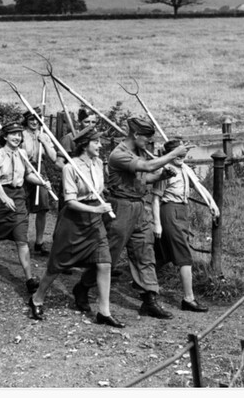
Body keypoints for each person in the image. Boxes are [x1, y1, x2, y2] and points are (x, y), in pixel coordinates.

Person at [72, 116, 189, 320]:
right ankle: (83, 286)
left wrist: (162, 176)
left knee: (145, 251)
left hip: (139, 206)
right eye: (146, 137)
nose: (149, 142)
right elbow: (147, 167)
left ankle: (149, 299)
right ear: (135, 134)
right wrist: (174, 154)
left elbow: (145, 177)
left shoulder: (137, 152)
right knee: (109, 255)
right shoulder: (118, 155)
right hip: (121, 208)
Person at [28, 126, 121, 325]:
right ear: (85, 145)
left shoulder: (98, 164)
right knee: (57, 264)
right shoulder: (70, 168)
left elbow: (99, 190)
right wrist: (97, 209)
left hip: (95, 222)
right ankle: (37, 297)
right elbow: (70, 201)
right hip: (74, 221)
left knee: (105, 263)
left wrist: (103, 201)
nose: (100, 146)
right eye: (96, 142)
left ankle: (104, 312)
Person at [152, 138, 221, 313]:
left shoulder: (185, 168)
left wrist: (212, 203)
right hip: (169, 212)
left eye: (183, 153)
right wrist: (157, 224)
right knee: (184, 256)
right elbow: (155, 199)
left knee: (163, 255)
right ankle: (188, 299)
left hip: (182, 211)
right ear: (170, 154)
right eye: (177, 154)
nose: (181, 157)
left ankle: (142, 285)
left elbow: (198, 187)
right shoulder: (166, 171)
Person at [0, 121, 42, 299]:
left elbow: (28, 174)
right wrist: (3, 196)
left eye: (19, 134)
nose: (17, 137)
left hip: (18, 197)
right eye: (13, 134)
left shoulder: (22, 153)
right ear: (5, 136)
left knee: (21, 238)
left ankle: (29, 278)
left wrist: (41, 182)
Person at [21, 107, 58, 256]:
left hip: (40, 170)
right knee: (24, 208)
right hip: (23, 170)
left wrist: (45, 142)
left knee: (42, 208)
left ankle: (39, 242)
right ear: (26, 120)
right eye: (31, 119)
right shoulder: (21, 134)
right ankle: (22, 241)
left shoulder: (44, 135)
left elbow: (53, 157)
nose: (35, 122)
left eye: (37, 119)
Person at [56, 108, 99, 213]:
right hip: (72, 184)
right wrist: (75, 173)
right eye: (87, 122)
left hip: (90, 185)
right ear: (79, 122)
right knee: (68, 215)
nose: (90, 125)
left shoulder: (95, 138)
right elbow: (58, 163)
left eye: (93, 122)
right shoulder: (69, 138)